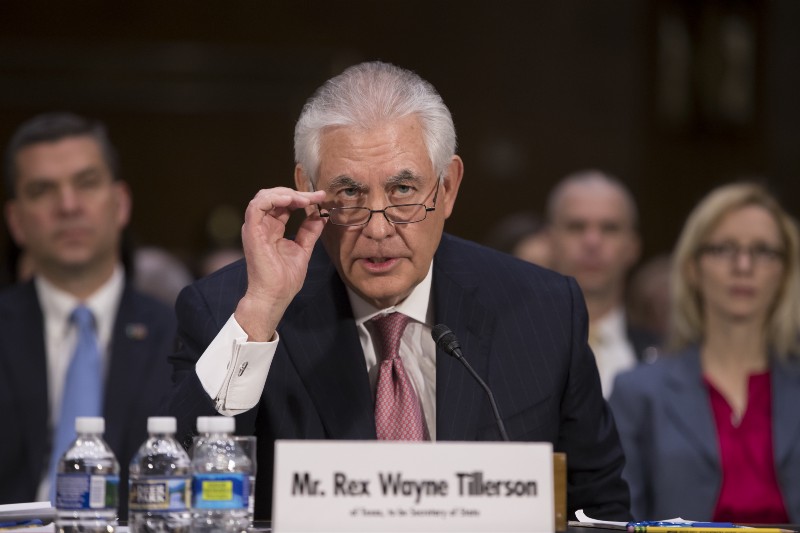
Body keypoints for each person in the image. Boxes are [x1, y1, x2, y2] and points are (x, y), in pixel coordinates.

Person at [166, 61, 631, 521]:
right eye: (348, 193)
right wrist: (261, 312)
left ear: (446, 187)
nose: (378, 227)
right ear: (307, 190)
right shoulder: (231, 311)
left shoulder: (543, 311)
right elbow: (179, 494)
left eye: (403, 189)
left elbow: (599, 507)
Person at [0, 112, 176, 517]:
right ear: (16, 221)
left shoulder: (178, 333)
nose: (68, 205)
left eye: (87, 183)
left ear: (121, 203)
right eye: (43, 190)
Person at [609, 182, 800, 522]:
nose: (743, 265)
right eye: (724, 249)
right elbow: (623, 520)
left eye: (763, 251)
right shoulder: (637, 393)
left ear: (784, 272)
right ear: (692, 268)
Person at [546, 170, 659, 397]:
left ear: (633, 247)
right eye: (576, 227)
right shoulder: (512, 348)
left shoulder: (664, 356)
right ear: (551, 242)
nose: (592, 241)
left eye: (609, 228)